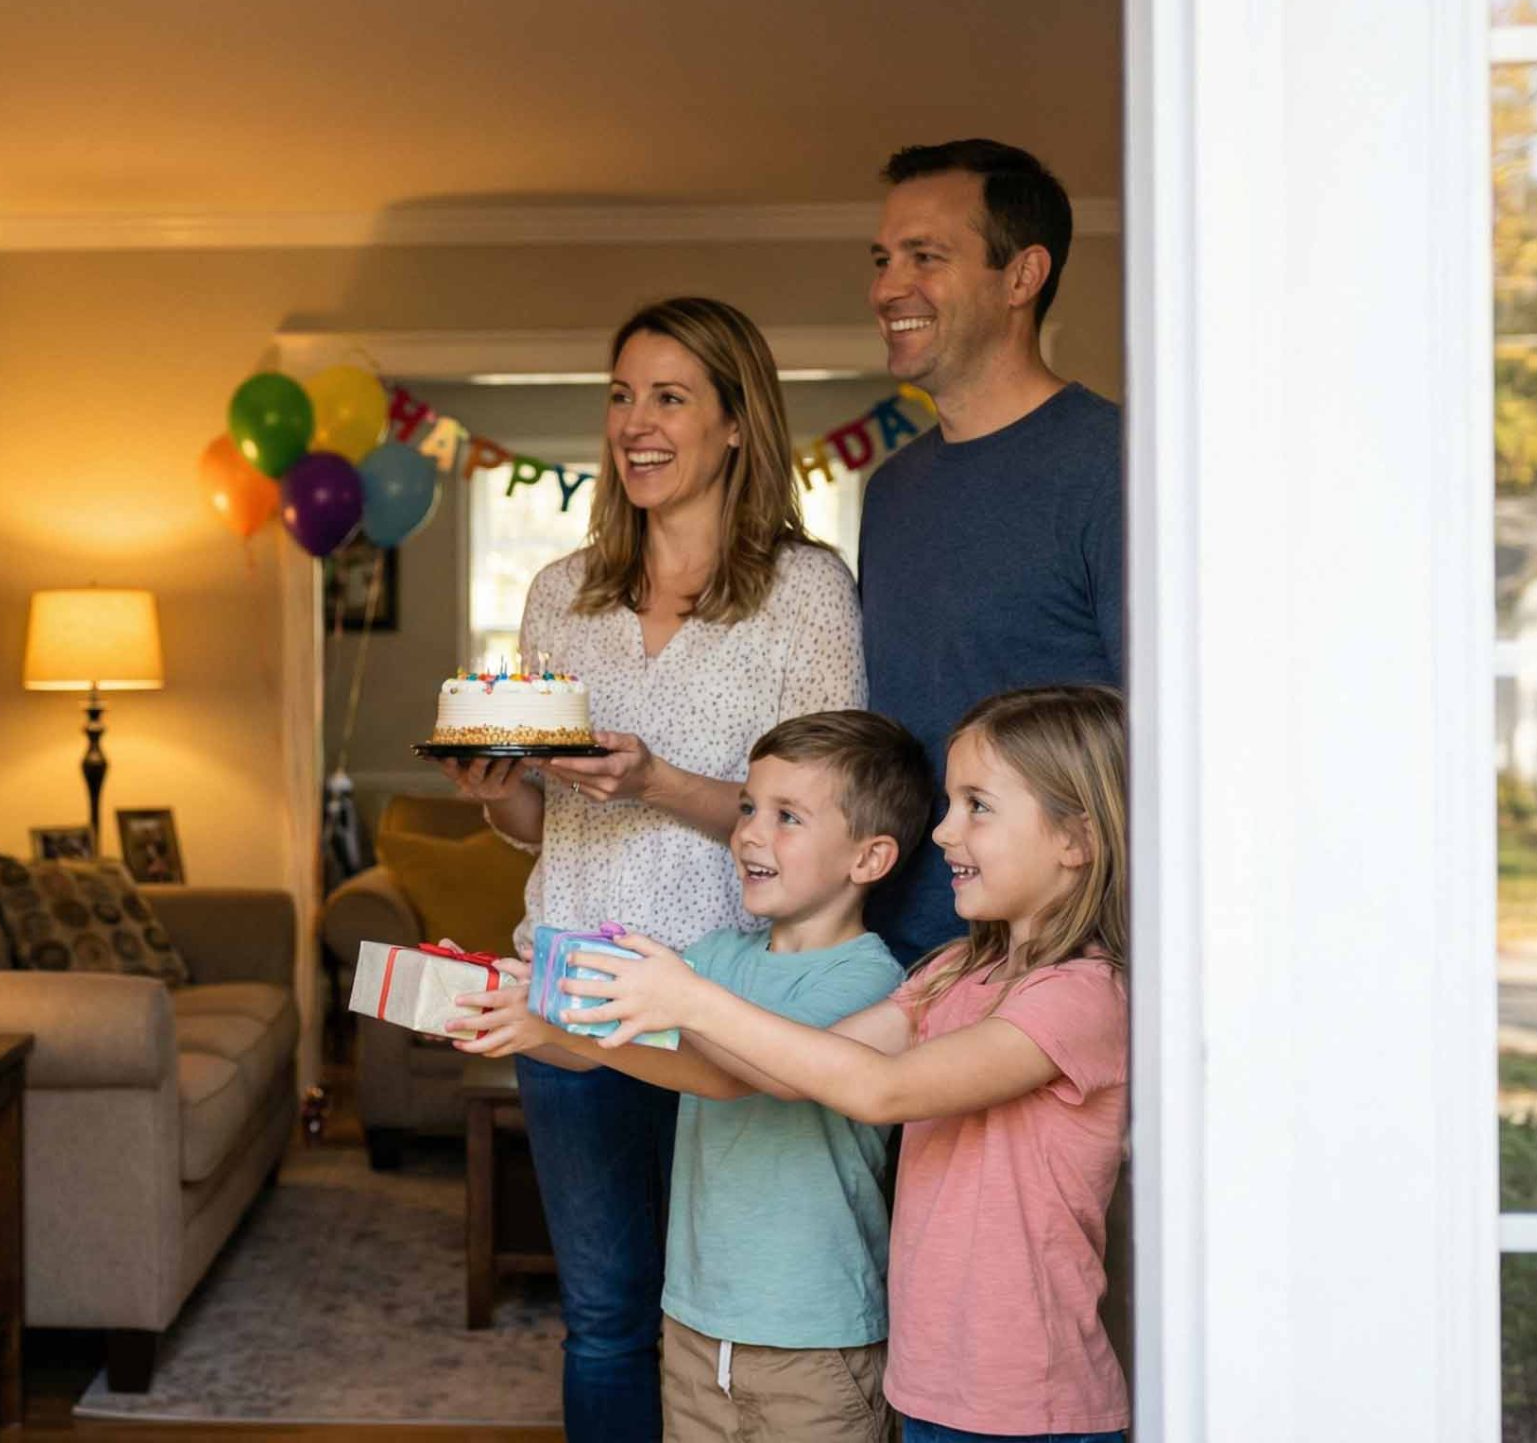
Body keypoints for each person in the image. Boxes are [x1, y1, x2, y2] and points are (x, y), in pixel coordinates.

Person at [437, 295, 867, 1441]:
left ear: (736, 423)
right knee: (607, 1318)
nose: (635, 421)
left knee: (728, 1319)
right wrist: (502, 795)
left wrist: (659, 782)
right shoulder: (559, 596)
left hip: (726, 1001)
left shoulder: (805, 591)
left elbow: (828, 822)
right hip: (570, 990)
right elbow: (545, 822)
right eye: (621, 395)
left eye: (670, 396)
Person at [551, 686, 1133, 1442]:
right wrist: (546, 1008)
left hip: (1032, 1404)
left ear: (1076, 837)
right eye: (950, 803)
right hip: (925, 1382)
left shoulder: (1083, 996)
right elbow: (786, 1073)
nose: (947, 830)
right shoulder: (951, 973)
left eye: (977, 805)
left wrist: (690, 1000)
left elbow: (881, 1088)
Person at [448, 710, 933, 1442]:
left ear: (868, 859)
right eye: (746, 807)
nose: (749, 833)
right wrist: (516, 1013)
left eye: (787, 816)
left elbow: (733, 1074)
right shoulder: (715, 956)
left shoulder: (869, 981)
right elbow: (602, 1043)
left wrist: (577, 1023)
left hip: (816, 1337)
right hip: (697, 1325)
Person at [860, 140, 1123, 965]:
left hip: (1057, 968)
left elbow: (1153, 741)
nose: (887, 287)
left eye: (925, 257)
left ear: (1022, 276)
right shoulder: (892, 489)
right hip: (899, 956)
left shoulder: (1119, 465)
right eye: (883, 258)